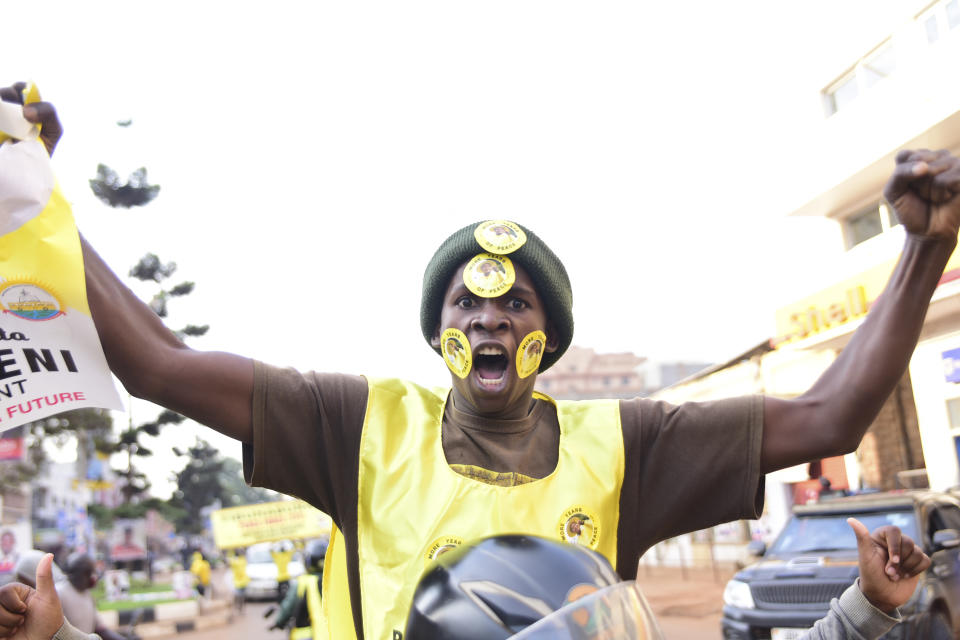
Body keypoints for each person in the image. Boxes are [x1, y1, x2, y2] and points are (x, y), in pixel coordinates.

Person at [5, 86, 960, 640]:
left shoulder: (628, 443)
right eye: (467, 301)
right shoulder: (357, 425)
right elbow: (160, 365)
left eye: (516, 302)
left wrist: (921, 252)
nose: (490, 317)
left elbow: (831, 418)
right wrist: (33, 193)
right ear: (438, 333)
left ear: (549, 337)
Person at [54, 555, 123, 640]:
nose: (93, 577)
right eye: (88, 573)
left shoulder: (87, 593)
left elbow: (99, 628)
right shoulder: (59, 592)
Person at [270, 539, 328, 639]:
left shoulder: (303, 582)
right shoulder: (338, 580)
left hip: (308, 635)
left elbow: (288, 607)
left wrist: (279, 622)